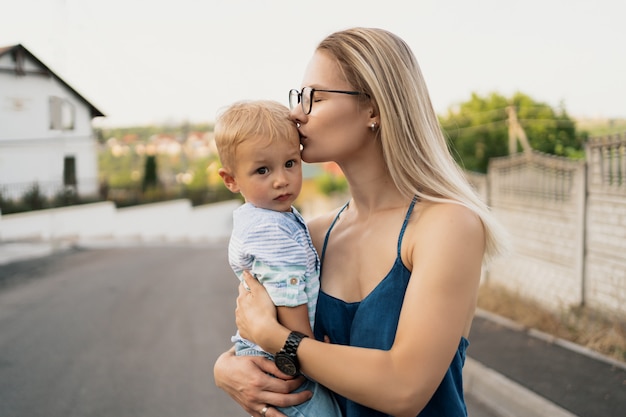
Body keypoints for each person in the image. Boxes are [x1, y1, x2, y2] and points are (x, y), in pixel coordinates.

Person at [214, 27, 508, 417]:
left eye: (313, 98)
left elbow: (405, 388)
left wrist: (281, 342)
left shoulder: (447, 226)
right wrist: (225, 369)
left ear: (373, 108)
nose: (295, 113)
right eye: (298, 97)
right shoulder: (311, 235)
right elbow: (253, 335)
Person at [214, 100, 342, 417]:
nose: (281, 180)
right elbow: (288, 296)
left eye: (290, 163)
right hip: (280, 361)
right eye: (262, 170)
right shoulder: (269, 229)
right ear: (230, 180)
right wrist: (312, 352)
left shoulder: (272, 217)